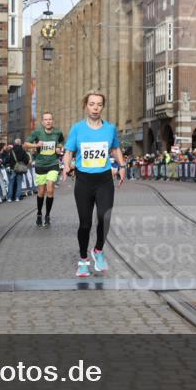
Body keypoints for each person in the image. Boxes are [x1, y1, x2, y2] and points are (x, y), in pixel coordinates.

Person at [62, 91, 125, 277]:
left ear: (103, 107)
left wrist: (122, 166)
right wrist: (66, 166)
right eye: (91, 104)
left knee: (104, 218)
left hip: (104, 179)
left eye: (99, 104)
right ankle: (83, 260)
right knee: (85, 223)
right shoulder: (77, 129)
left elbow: (115, 148)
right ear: (86, 106)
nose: (95, 107)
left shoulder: (110, 129)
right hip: (84, 180)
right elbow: (69, 151)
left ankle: (98, 250)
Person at [25, 112, 65, 227]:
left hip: (53, 164)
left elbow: (61, 142)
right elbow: (26, 144)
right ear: (42, 122)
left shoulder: (58, 132)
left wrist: (59, 148)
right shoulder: (37, 132)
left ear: (53, 121)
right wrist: (36, 145)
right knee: (41, 192)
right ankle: (39, 213)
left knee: (50, 189)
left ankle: (47, 215)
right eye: (46, 119)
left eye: (50, 119)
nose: (48, 121)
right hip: (41, 165)